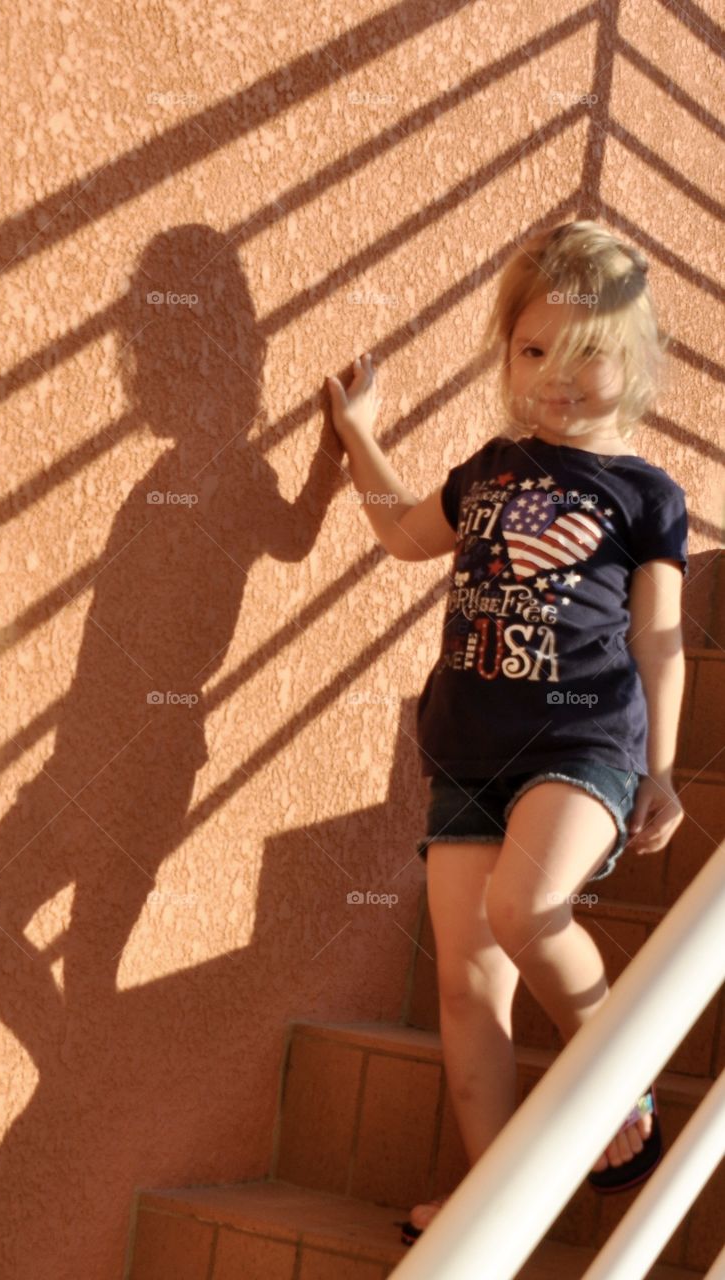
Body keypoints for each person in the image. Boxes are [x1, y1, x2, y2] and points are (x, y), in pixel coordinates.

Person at [326, 220, 689, 1245]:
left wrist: (661, 768)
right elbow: (404, 533)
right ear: (506, 355)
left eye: (587, 356)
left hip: (586, 747)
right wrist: (360, 433)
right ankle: (490, 1202)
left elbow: (659, 640)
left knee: (526, 907)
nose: (555, 378)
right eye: (533, 352)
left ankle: (624, 1083)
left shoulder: (649, 495)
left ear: (638, 361)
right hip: (468, 750)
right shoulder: (490, 467)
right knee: (464, 978)